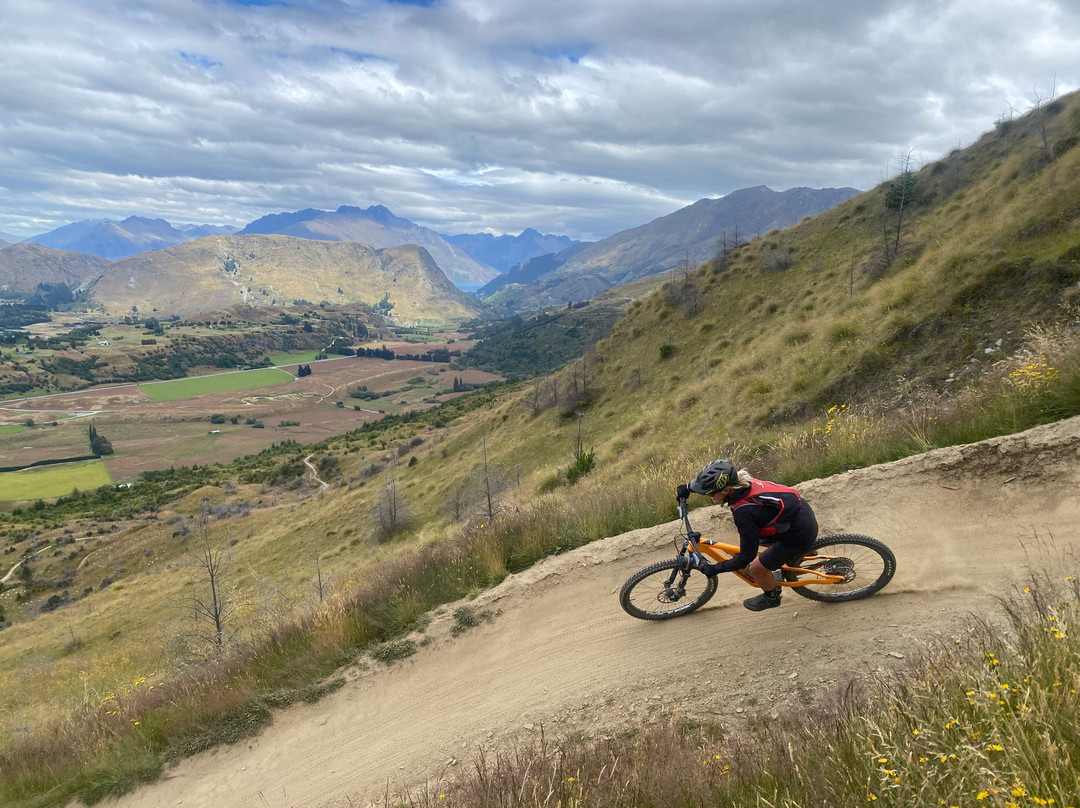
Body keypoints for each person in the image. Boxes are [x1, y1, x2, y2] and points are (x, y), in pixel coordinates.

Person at [676, 459, 818, 612]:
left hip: (800, 533)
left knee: (755, 568)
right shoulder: (742, 481)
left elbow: (746, 556)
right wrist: (688, 488)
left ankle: (771, 597)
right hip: (799, 515)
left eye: (710, 493)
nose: (709, 496)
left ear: (725, 490)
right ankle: (796, 557)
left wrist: (716, 568)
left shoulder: (743, 512)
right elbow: (705, 481)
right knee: (761, 543)